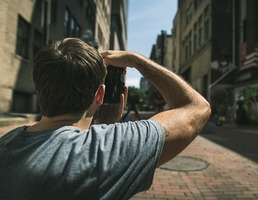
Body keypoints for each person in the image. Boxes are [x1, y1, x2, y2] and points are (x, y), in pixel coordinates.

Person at [0, 38, 211, 200]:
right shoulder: (108, 149)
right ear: (100, 95)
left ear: (40, 89)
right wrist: (136, 60)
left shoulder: (6, 143)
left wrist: (101, 127)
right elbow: (197, 108)